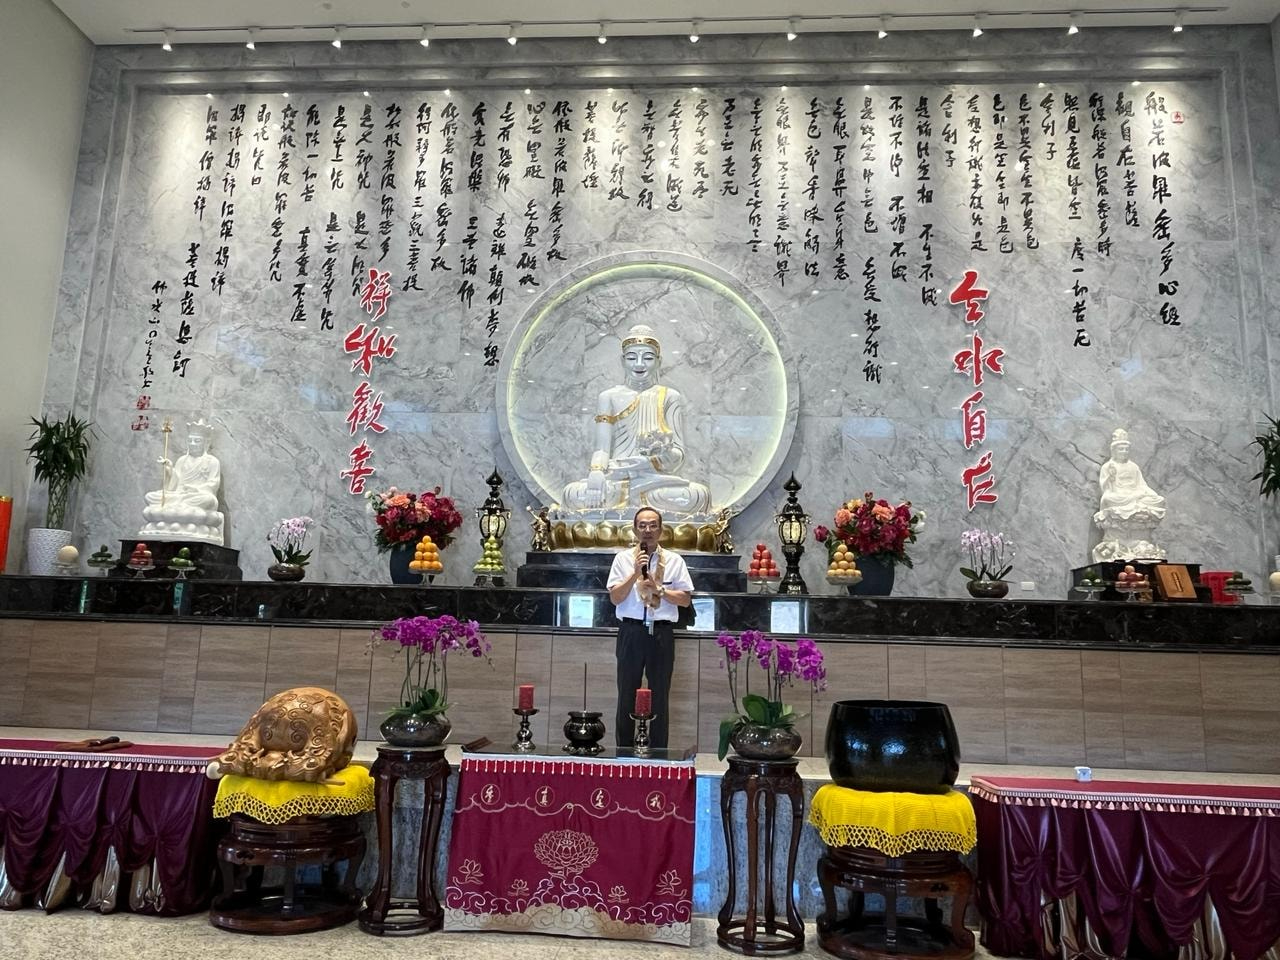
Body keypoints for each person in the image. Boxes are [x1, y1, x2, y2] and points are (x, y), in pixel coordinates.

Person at [562, 325, 711, 516]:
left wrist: (652, 459)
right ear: (622, 361)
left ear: (658, 361)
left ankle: (621, 511)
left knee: (697, 495)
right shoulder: (608, 396)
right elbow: (602, 449)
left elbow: (678, 454)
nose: (639, 364)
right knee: (572, 494)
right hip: (616, 478)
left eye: (648, 358)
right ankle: (636, 508)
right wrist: (596, 472)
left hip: (654, 480)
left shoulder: (669, 396)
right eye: (632, 358)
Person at [607, 507, 693, 749]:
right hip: (631, 631)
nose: (648, 530)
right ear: (635, 530)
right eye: (642, 525)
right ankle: (624, 752)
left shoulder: (675, 561)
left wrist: (660, 589)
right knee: (626, 693)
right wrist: (635, 572)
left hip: (661, 633)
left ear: (661, 530)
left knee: (660, 696)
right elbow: (615, 598)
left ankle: (658, 753)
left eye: (653, 525)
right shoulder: (623, 559)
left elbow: (685, 600)